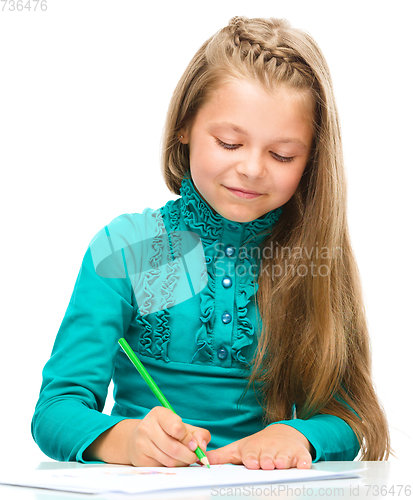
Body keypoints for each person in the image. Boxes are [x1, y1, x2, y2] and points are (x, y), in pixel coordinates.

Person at [32, 16, 391, 469]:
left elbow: (350, 414)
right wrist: (124, 441)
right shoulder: (138, 248)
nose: (253, 169)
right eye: (227, 142)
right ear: (184, 127)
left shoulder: (309, 260)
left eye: (282, 155)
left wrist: (297, 435)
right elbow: (57, 409)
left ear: (312, 161)